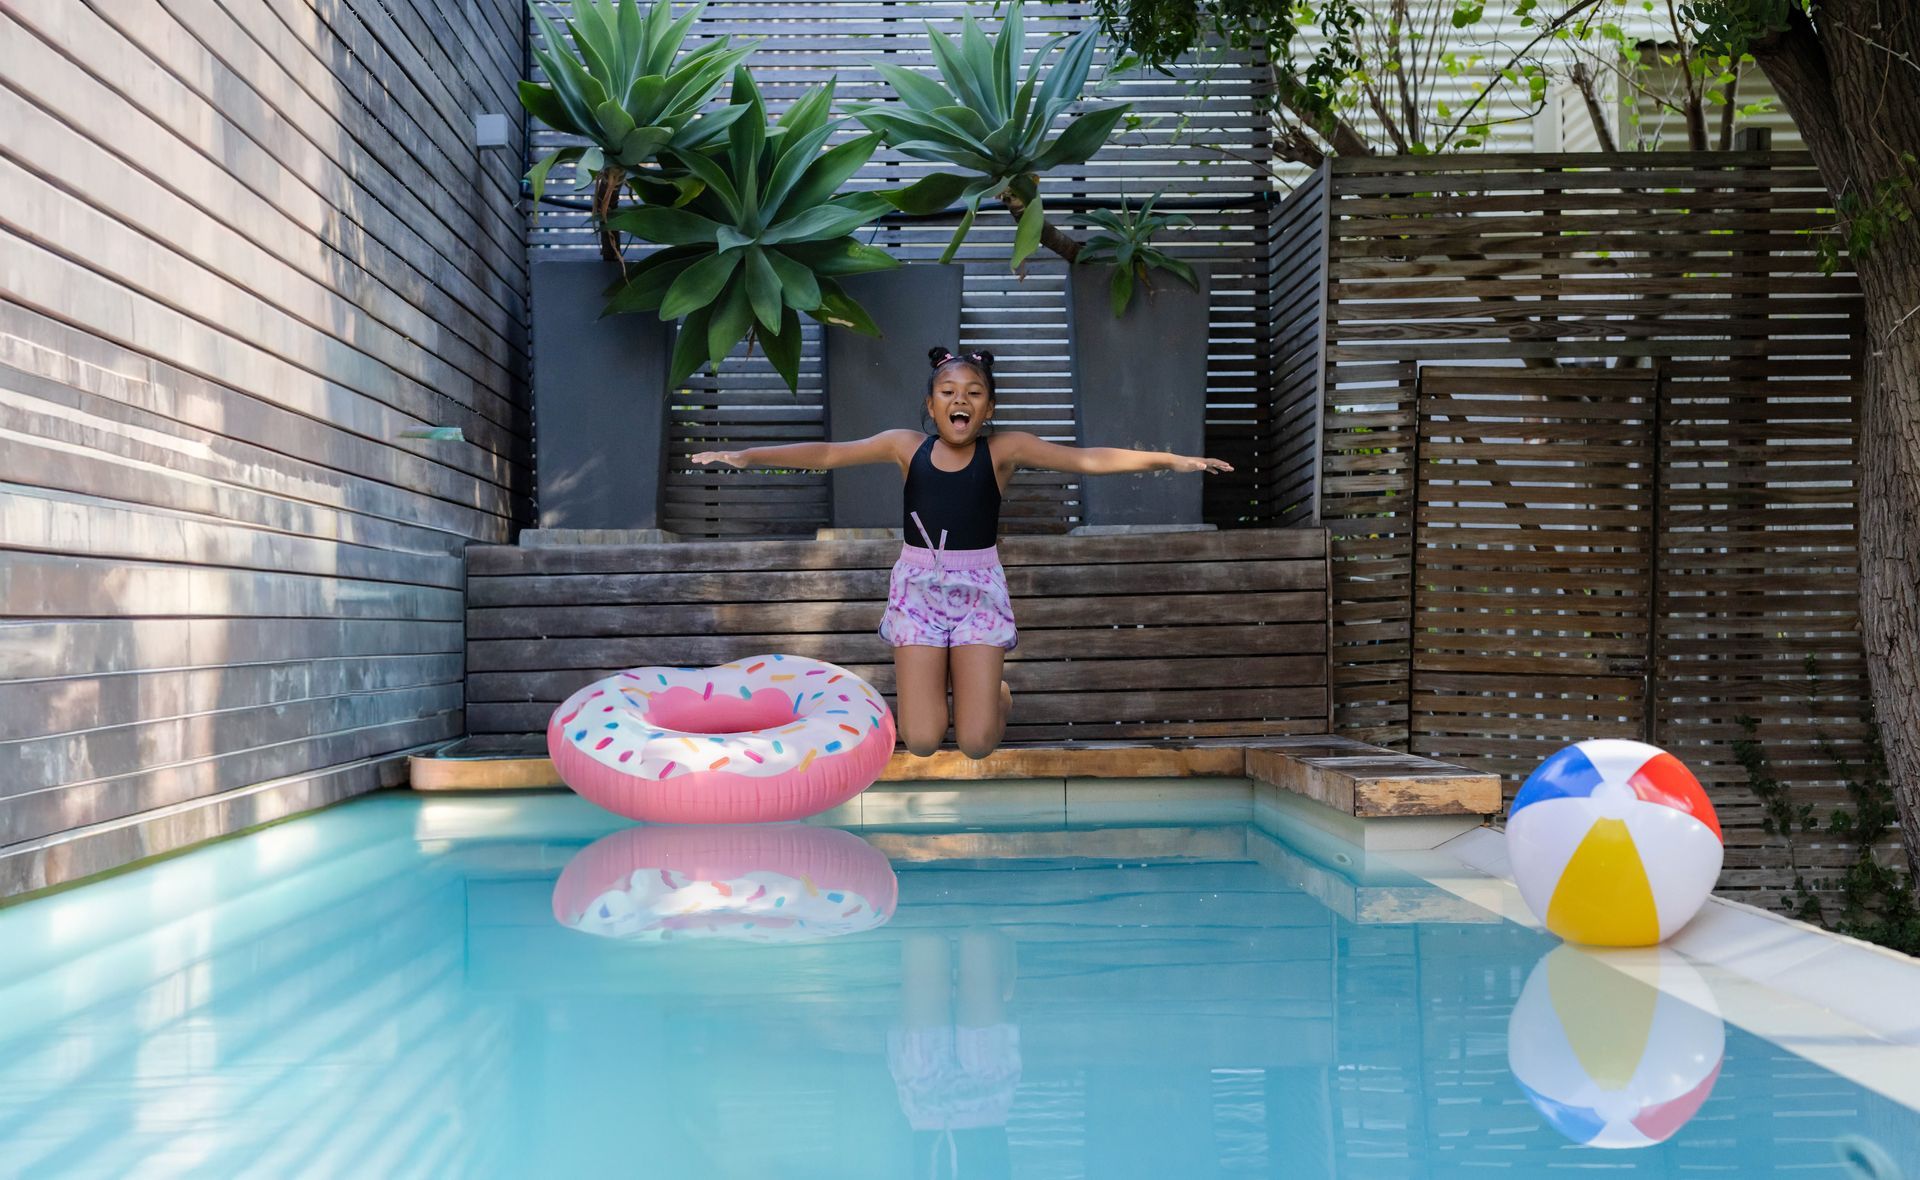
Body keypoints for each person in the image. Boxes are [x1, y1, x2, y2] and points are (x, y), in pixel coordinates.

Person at [690, 346, 1233, 761]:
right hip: (918, 590)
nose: (960, 400)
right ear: (930, 405)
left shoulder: (1004, 450)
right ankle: (953, 680)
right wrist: (746, 454)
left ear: (988, 407)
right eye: (948, 391)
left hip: (978, 593)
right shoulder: (906, 447)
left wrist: (1172, 459)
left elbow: (1087, 459)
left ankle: (990, 693)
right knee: (923, 740)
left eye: (973, 392)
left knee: (976, 743)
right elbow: (830, 453)